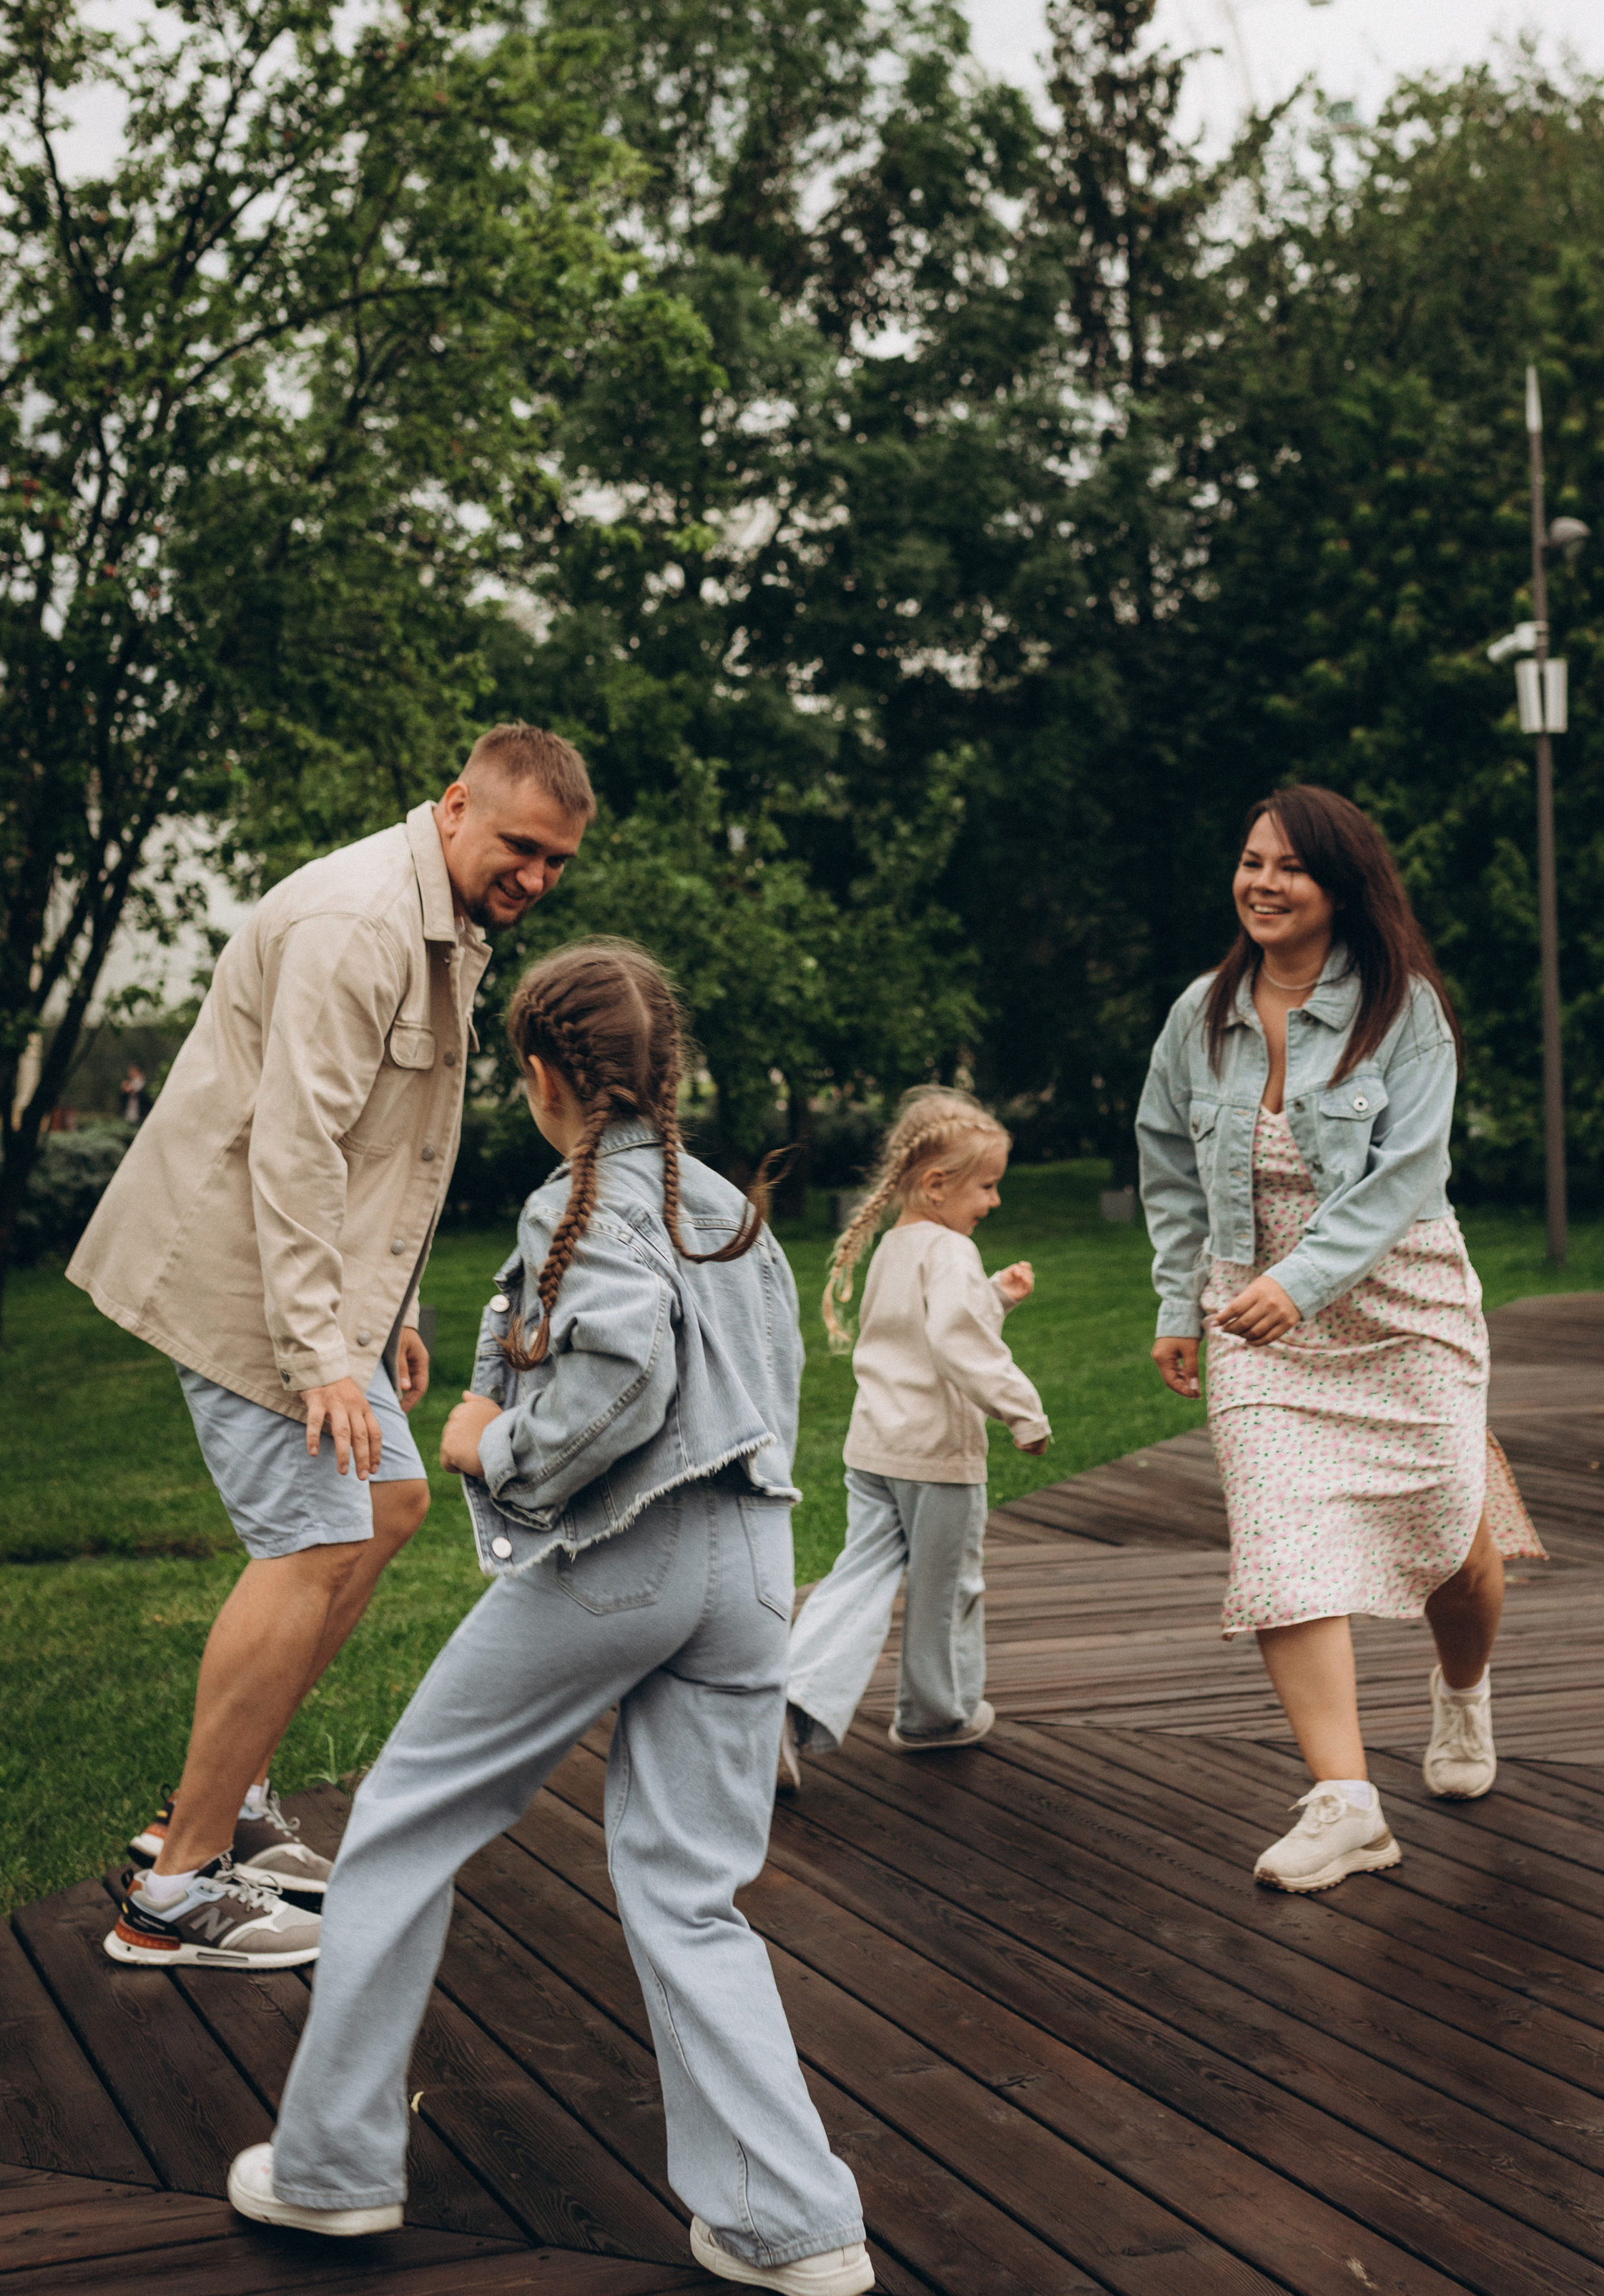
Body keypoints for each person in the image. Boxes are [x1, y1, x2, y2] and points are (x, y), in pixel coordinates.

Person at [225, 939, 874, 2296]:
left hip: (625, 1559)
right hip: (758, 1563)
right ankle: (794, 2226)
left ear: (537, 1073)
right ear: (666, 1071)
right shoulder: (721, 1207)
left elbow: (622, 1375)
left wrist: (487, 1447)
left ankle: (332, 2172)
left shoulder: (579, 1203)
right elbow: (770, 1386)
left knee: (404, 1821)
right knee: (694, 1895)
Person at [69, 723, 595, 1971]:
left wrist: (392, 1311)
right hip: (242, 1274)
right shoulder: (360, 923)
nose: (535, 877)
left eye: (558, 862)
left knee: (394, 1500)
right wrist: (321, 1355)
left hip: (315, 1282)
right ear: (457, 806)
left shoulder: (441, 923)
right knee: (313, 1537)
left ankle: (225, 1806)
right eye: (521, 847)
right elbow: (295, 1149)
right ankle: (174, 1891)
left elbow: (383, 1147)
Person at [1137, 785, 1545, 1896]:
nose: (1261, 883)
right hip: (1254, 1313)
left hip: (1401, 1302)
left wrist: (1302, 1279)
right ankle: (1346, 1800)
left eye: (1290, 869)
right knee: (1280, 1536)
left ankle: (1461, 1690)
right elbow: (1168, 1164)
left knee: (1452, 1540)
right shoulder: (1201, 1013)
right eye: (1250, 860)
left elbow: (1408, 1173)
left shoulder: (1404, 1009)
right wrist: (1184, 1303)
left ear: (1342, 888)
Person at [777, 1090, 1050, 1792]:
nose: (991, 1203)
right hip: (936, 1458)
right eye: (985, 1186)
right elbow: (959, 1342)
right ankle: (937, 1716)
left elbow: (928, 1326)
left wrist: (996, 1294)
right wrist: (1022, 1411)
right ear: (936, 1184)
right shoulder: (950, 1248)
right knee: (946, 1587)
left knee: (857, 1576)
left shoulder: (897, 1246)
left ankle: (784, 1707)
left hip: (875, 1449)